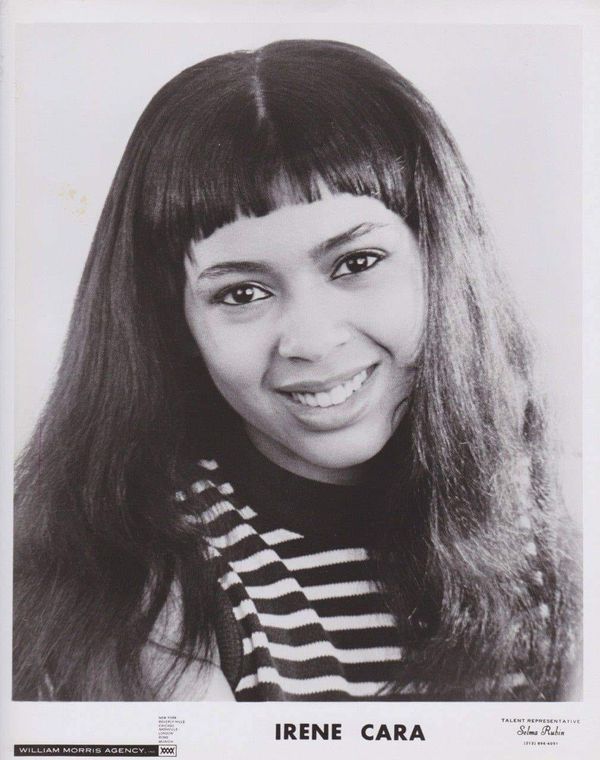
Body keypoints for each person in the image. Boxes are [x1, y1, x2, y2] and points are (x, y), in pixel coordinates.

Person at [13, 38, 580, 702]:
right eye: (242, 294)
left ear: (443, 257)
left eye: (356, 263)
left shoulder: (551, 517)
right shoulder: (147, 594)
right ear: (173, 322)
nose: (310, 340)